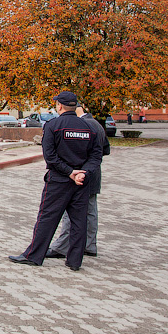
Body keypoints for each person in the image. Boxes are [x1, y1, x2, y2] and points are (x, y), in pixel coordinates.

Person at [9, 91, 103, 271]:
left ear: (59, 106)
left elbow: (50, 156)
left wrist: (69, 173)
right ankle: (74, 261)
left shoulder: (53, 125)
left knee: (47, 218)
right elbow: (96, 156)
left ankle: (34, 255)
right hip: (81, 182)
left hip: (58, 181)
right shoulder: (89, 127)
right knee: (79, 222)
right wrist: (82, 173)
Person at [47, 103, 110, 259]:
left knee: (72, 212)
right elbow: (105, 150)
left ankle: (62, 247)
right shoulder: (96, 124)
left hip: (78, 176)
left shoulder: (82, 125)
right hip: (93, 175)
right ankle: (89, 245)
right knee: (91, 211)